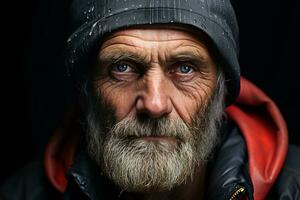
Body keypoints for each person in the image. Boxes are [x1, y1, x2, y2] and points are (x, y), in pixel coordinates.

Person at [1, 0, 299, 199]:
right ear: (87, 90)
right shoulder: (24, 193)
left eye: (185, 68)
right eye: (123, 67)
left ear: (221, 92)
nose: (155, 104)